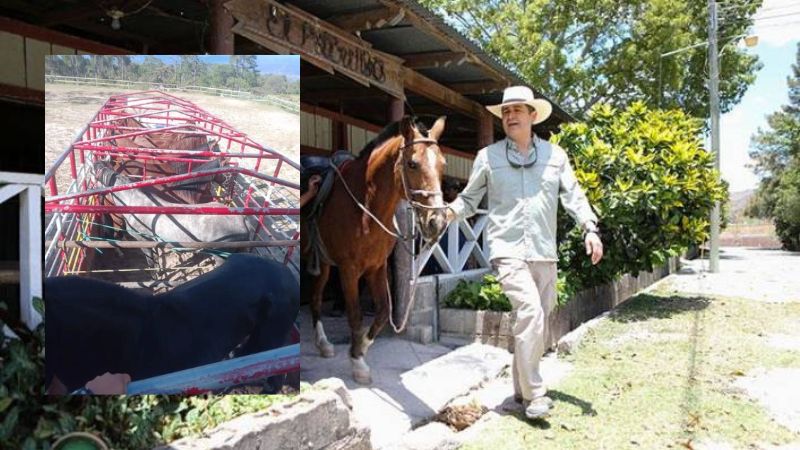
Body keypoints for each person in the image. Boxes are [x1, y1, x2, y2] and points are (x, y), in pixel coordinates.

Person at [446, 86, 603, 420]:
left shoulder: (555, 156)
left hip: (545, 252)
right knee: (530, 313)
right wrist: (445, 213)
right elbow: (469, 199)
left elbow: (573, 196)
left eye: (518, 110)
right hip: (507, 249)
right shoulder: (487, 157)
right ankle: (535, 395)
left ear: (533, 116)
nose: (510, 116)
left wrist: (590, 228)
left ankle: (520, 390)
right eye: (505, 111)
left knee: (536, 323)